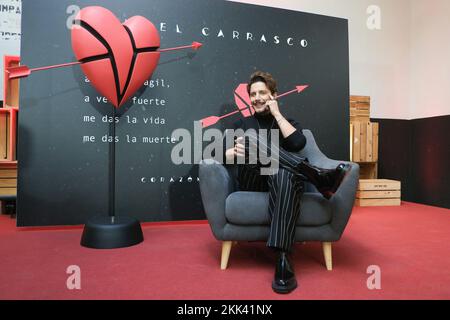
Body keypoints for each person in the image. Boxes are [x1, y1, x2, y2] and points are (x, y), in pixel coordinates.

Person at [222, 71, 350, 294]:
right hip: (253, 179)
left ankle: (283, 260)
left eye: (263, 93)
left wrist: (277, 115)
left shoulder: (286, 122)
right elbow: (221, 156)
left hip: (281, 180)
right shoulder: (241, 123)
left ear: (274, 96)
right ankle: (315, 175)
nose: (257, 98)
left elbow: (298, 143)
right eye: (253, 94)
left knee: (284, 175)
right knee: (252, 139)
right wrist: (236, 152)